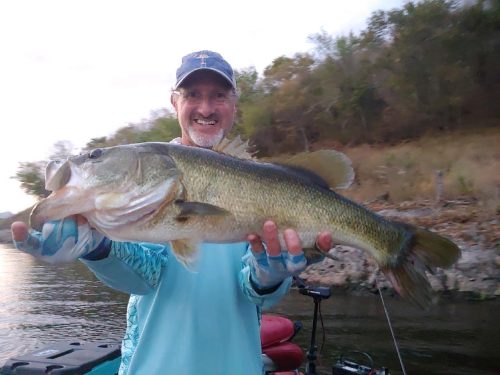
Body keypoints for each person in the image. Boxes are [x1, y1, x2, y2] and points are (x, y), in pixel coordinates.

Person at [11, 50, 332, 375]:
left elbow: (256, 292)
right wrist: (98, 248)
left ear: (234, 105)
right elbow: (146, 275)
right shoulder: (147, 178)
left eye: (218, 96)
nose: (205, 108)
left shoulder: (260, 181)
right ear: (174, 102)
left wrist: (270, 278)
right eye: (193, 95)